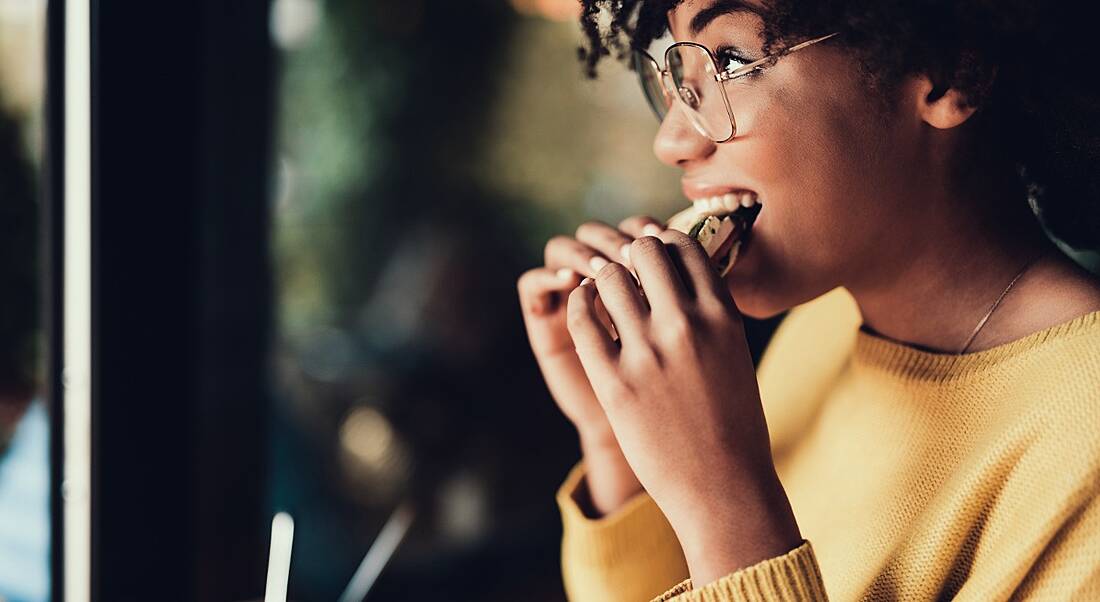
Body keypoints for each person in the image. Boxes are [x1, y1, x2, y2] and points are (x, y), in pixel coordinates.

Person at [517, 0, 1100, 600]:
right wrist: (620, 445)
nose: (672, 141)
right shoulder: (820, 327)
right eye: (674, 74)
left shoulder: (1085, 444)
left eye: (731, 60)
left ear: (950, 72)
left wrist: (724, 501)